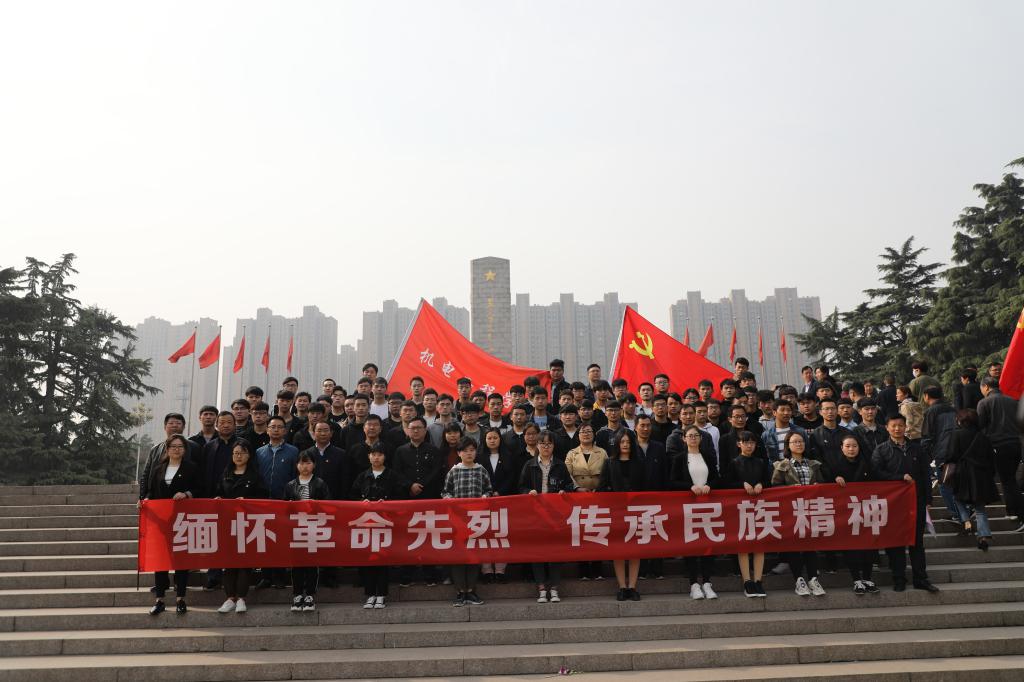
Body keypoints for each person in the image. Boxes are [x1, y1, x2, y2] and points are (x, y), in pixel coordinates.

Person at [871, 414, 939, 593]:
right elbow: (876, 473)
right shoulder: (881, 450)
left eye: (900, 425)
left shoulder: (917, 449)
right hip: (893, 505)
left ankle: (921, 579)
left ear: (905, 427)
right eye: (893, 425)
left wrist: (928, 500)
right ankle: (899, 579)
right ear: (887, 428)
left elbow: (925, 475)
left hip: (916, 502)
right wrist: (899, 477)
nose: (897, 429)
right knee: (896, 543)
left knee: (917, 542)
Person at [139, 434, 199, 615]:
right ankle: (160, 600)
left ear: (185, 450)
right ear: (167, 449)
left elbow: (200, 488)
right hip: (161, 522)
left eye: (180, 446)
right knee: (161, 561)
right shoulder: (159, 468)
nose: (177, 449)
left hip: (182, 520)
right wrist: (145, 500)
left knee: (181, 560)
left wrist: (186, 494)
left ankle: (180, 598)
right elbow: (151, 491)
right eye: (173, 446)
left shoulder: (191, 468)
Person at [520, 430, 578, 603]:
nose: (546, 447)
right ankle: (541, 588)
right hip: (536, 515)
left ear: (553, 446)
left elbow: (569, 485)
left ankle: (554, 588)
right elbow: (521, 487)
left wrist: (564, 492)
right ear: (537, 445)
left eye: (549, 444)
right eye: (542, 443)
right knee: (537, 552)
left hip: (556, 515)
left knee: (555, 552)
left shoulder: (560, 465)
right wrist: (528, 492)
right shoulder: (529, 465)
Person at [215, 439, 269, 613]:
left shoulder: (255, 476)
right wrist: (218, 499)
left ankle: (241, 598)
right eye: (236, 453)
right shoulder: (225, 474)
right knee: (228, 561)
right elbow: (218, 492)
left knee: (245, 562)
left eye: (242, 453)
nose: (238, 456)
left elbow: (263, 497)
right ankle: (230, 598)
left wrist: (248, 501)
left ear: (249, 455)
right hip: (228, 523)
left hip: (248, 524)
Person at [771, 431, 827, 597]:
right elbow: (775, 487)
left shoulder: (813, 464)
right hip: (791, 511)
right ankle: (799, 580)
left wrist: (817, 486)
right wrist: (790, 489)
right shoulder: (782, 465)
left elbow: (822, 483)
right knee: (794, 545)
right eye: (794, 442)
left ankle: (813, 579)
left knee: (810, 545)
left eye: (801, 441)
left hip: (810, 509)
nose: (799, 444)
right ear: (788, 446)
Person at [669, 425, 720, 600]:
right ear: (683, 438)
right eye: (689, 436)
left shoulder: (708, 456)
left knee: (708, 542)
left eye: (696, 435)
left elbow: (717, 478)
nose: (693, 438)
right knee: (691, 545)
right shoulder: (679, 458)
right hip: (688, 507)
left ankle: (707, 582)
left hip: (708, 507)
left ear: (701, 438)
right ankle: (694, 584)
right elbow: (672, 481)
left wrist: (709, 485)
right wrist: (689, 486)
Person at [393, 416, 444, 587]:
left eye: (419, 428)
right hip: (406, 499)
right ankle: (407, 574)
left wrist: (421, 486)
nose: (415, 431)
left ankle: (430, 574)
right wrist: (410, 485)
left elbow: (437, 472)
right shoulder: (400, 451)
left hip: (428, 499)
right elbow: (397, 472)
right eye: (412, 428)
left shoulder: (434, 450)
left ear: (425, 430)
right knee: (408, 536)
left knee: (428, 536)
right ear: (407, 431)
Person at [351, 442, 403, 608]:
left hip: (385, 523)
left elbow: (400, 496)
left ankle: (381, 594)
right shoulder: (362, 476)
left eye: (380, 454)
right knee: (368, 559)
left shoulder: (392, 475)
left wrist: (387, 503)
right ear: (369, 457)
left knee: (382, 559)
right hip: (366, 523)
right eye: (373, 454)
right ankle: (370, 594)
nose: (376, 458)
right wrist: (362, 501)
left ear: (385, 457)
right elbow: (352, 496)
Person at [824, 434, 878, 594]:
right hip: (845, 512)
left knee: (869, 545)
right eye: (847, 446)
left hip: (866, 509)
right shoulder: (835, 466)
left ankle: (867, 578)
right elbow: (825, 486)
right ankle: (856, 580)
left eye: (854, 446)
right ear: (841, 448)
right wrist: (835, 479)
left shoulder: (867, 464)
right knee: (851, 546)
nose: (851, 449)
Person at [442, 438, 492, 606]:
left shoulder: (481, 470)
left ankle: (471, 591)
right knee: (458, 557)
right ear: (459, 453)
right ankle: (460, 592)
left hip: (476, 520)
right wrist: (450, 500)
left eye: (472, 450)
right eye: (465, 450)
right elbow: (445, 492)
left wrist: (485, 496)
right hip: (458, 520)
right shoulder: (454, 471)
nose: (469, 453)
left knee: (474, 556)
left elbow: (489, 490)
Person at [598, 430, 646, 601]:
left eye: (628, 442)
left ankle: (632, 586)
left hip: (636, 512)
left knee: (634, 550)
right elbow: (601, 488)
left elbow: (646, 487)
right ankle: (622, 587)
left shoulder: (640, 463)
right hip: (616, 513)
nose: (625, 445)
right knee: (618, 550)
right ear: (617, 444)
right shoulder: (609, 463)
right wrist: (615, 496)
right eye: (622, 442)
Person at [722, 431, 770, 597]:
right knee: (743, 544)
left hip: (760, 507)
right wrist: (742, 484)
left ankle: (758, 581)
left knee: (759, 544)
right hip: (740, 509)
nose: (749, 445)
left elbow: (768, 481)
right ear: (739, 444)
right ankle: (747, 581)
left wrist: (761, 484)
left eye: (752, 443)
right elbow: (726, 483)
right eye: (746, 442)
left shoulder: (761, 462)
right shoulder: (734, 462)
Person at [946, 409, 1000, 550]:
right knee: (980, 508)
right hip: (980, 476)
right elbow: (991, 459)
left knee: (957, 498)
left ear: (961, 421)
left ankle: (966, 520)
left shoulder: (956, 434)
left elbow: (951, 455)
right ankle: (983, 536)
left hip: (962, 473)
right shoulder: (983, 437)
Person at [284, 452, 331, 612]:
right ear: (297, 465)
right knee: (296, 563)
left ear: (314, 465)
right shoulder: (290, 485)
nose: (305, 466)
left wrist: (316, 505)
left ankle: (310, 594)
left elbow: (328, 504)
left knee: (312, 562)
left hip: (313, 527)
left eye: (308, 463)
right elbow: (283, 509)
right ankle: (297, 594)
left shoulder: (320, 483)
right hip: (296, 528)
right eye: (302, 463)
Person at [977, 377, 1024, 529]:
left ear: (985, 387)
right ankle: (1012, 510)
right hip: (1016, 443)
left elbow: (980, 426)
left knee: (1007, 480)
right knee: (1010, 479)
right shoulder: (1013, 401)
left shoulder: (984, 403)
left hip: (998, 445)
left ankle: (1018, 512)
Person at [477, 428, 522, 582]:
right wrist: (488, 492)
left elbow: (512, 477)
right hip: (484, 501)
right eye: (489, 438)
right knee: (485, 534)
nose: (492, 441)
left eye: (495, 438)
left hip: (504, 500)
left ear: (500, 439)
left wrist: (499, 492)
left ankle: (501, 570)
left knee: (501, 535)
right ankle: (487, 569)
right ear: (485, 440)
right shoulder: (479, 457)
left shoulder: (508, 456)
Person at [564, 423, 607, 580]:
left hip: (598, 497)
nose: (586, 434)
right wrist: (577, 488)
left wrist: (599, 489)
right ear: (578, 435)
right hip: (579, 498)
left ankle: (597, 569)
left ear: (594, 434)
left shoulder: (602, 452)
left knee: (597, 531)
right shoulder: (572, 453)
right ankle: (583, 570)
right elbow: (567, 474)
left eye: (589, 431)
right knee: (581, 532)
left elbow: (607, 472)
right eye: (583, 431)